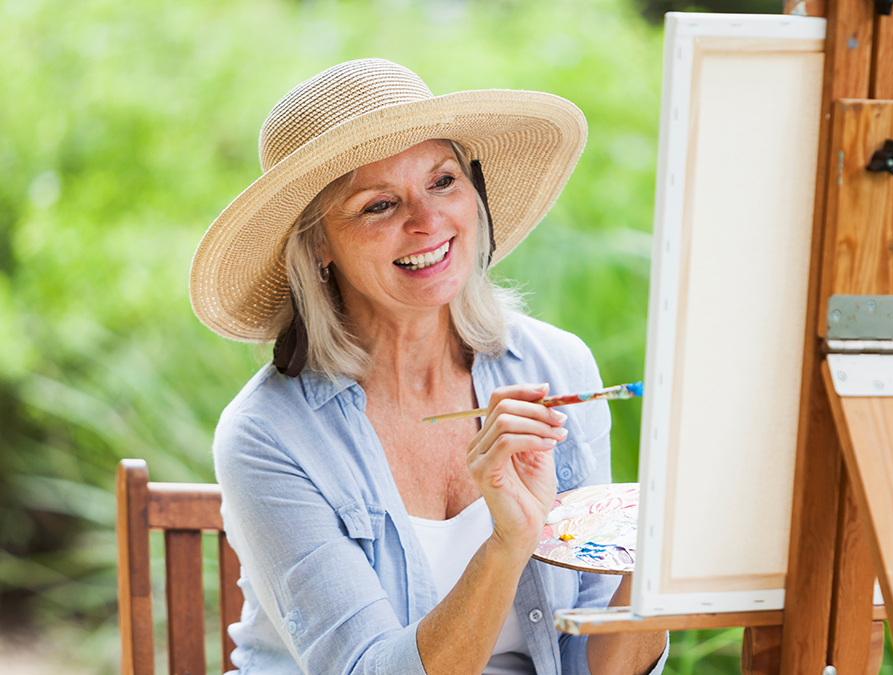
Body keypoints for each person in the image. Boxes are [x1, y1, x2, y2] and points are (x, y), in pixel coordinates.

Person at [190, 58, 667, 675]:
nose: (427, 221)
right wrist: (508, 543)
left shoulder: (558, 367)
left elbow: (592, 662)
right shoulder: (268, 435)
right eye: (378, 205)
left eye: (443, 181)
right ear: (317, 246)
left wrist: (662, 538)